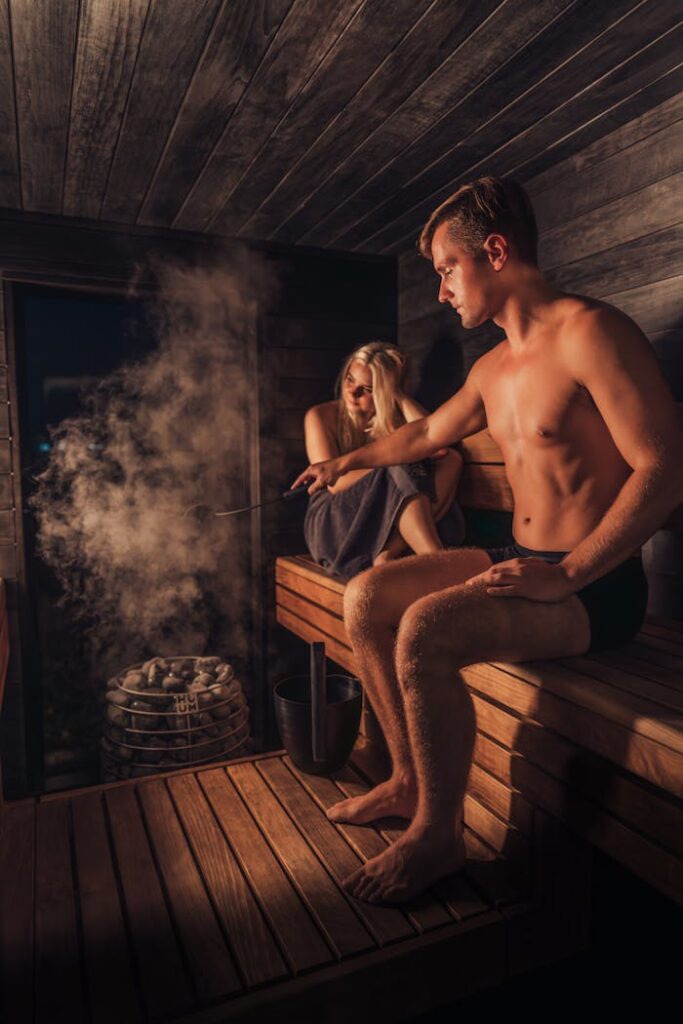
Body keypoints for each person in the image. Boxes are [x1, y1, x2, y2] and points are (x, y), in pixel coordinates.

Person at [291, 176, 683, 906]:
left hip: (595, 582)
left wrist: (566, 572)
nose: (441, 292)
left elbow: (664, 469)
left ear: (494, 252)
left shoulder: (591, 333)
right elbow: (428, 433)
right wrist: (343, 460)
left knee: (426, 627)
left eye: (446, 270)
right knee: (368, 595)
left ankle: (438, 836)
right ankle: (408, 781)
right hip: (525, 564)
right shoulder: (491, 367)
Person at [302, 341, 465, 582]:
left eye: (367, 388)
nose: (352, 392)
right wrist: (390, 461)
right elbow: (335, 483)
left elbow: (439, 448)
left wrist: (398, 394)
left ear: (383, 393)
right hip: (334, 520)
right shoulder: (320, 416)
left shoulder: (393, 421)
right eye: (350, 379)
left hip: (383, 512)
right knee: (399, 467)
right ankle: (436, 559)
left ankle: (389, 552)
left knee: (452, 460)